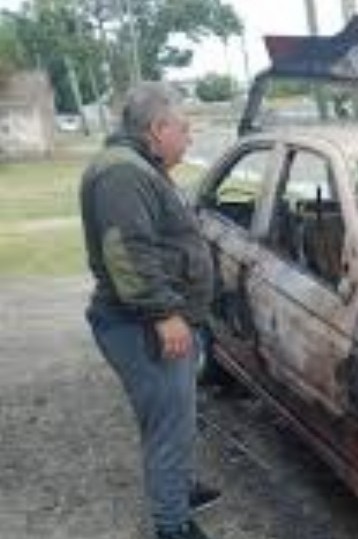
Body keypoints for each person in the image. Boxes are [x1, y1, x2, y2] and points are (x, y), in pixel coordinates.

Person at [80, 81, 220, 539]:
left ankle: (176, 490)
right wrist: (163, 314)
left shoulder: (140, 165)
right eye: (185, 128)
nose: (190, 137)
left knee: (170, 419)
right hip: (140, 324)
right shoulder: (123, 173)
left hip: (151, 320)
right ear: (158, 128)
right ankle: (172, 525)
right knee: (168, 429)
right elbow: (127, 251)